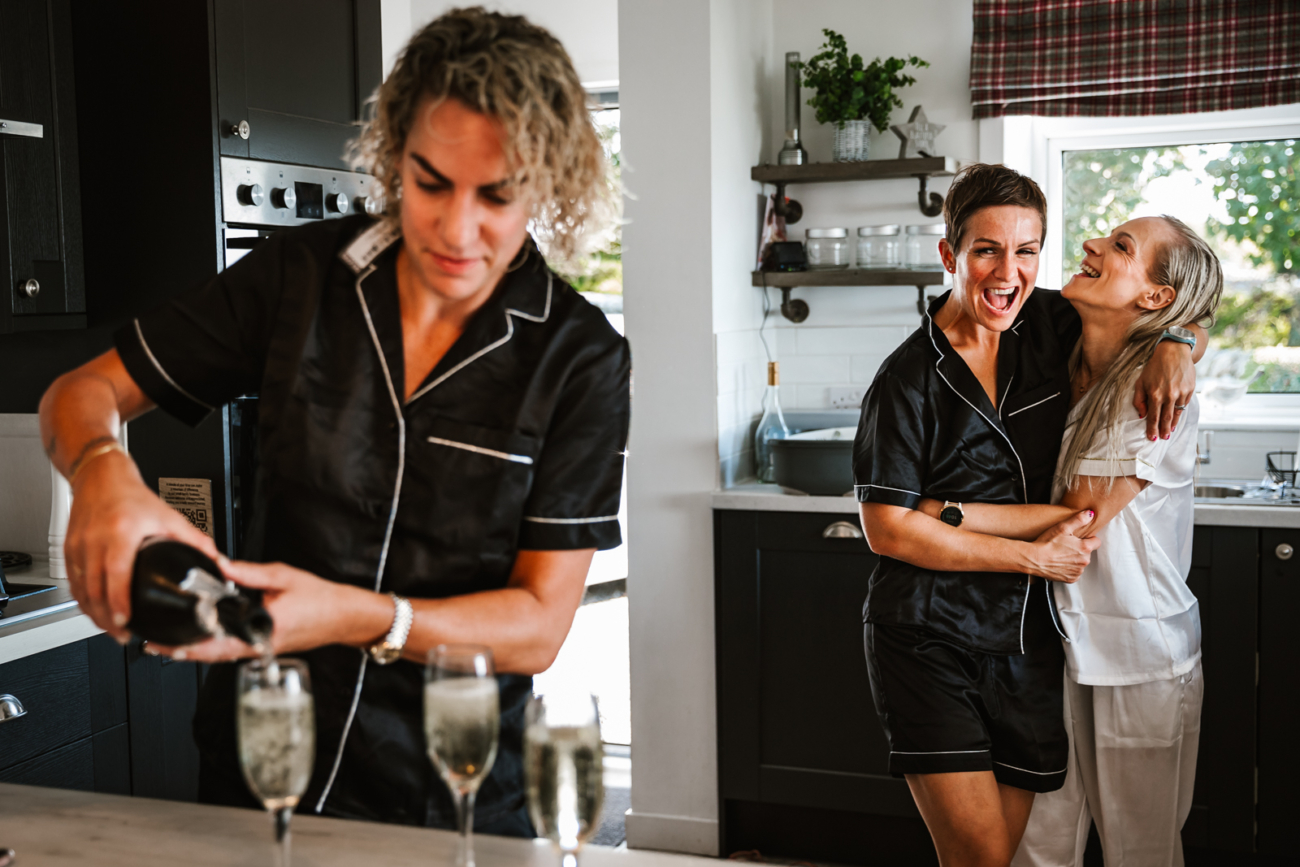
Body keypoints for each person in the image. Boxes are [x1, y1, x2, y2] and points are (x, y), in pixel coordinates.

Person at [38, 8, 628, 835]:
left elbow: (538, 624)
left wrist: (358, 614)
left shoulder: (582, 358)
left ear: (551, 181)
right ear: (394, 159)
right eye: (430, 183)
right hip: (263, 759)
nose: (459, 230)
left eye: (497, 195)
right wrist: (102, 470)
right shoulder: (300, 277)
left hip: (450, 789)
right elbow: (77, 393)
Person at [853, 164, 1206, 867]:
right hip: (938, 633)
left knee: (1068, 851)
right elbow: (888, 526)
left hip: (1036, 644)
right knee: (999, 855)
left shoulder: (1043, 324)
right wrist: (1030, 554)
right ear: (950, 255)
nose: (1008, 270)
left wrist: (1181, 341)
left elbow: (1175, 303)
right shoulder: (907, 378)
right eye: (985, 249)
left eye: (1026, 250)